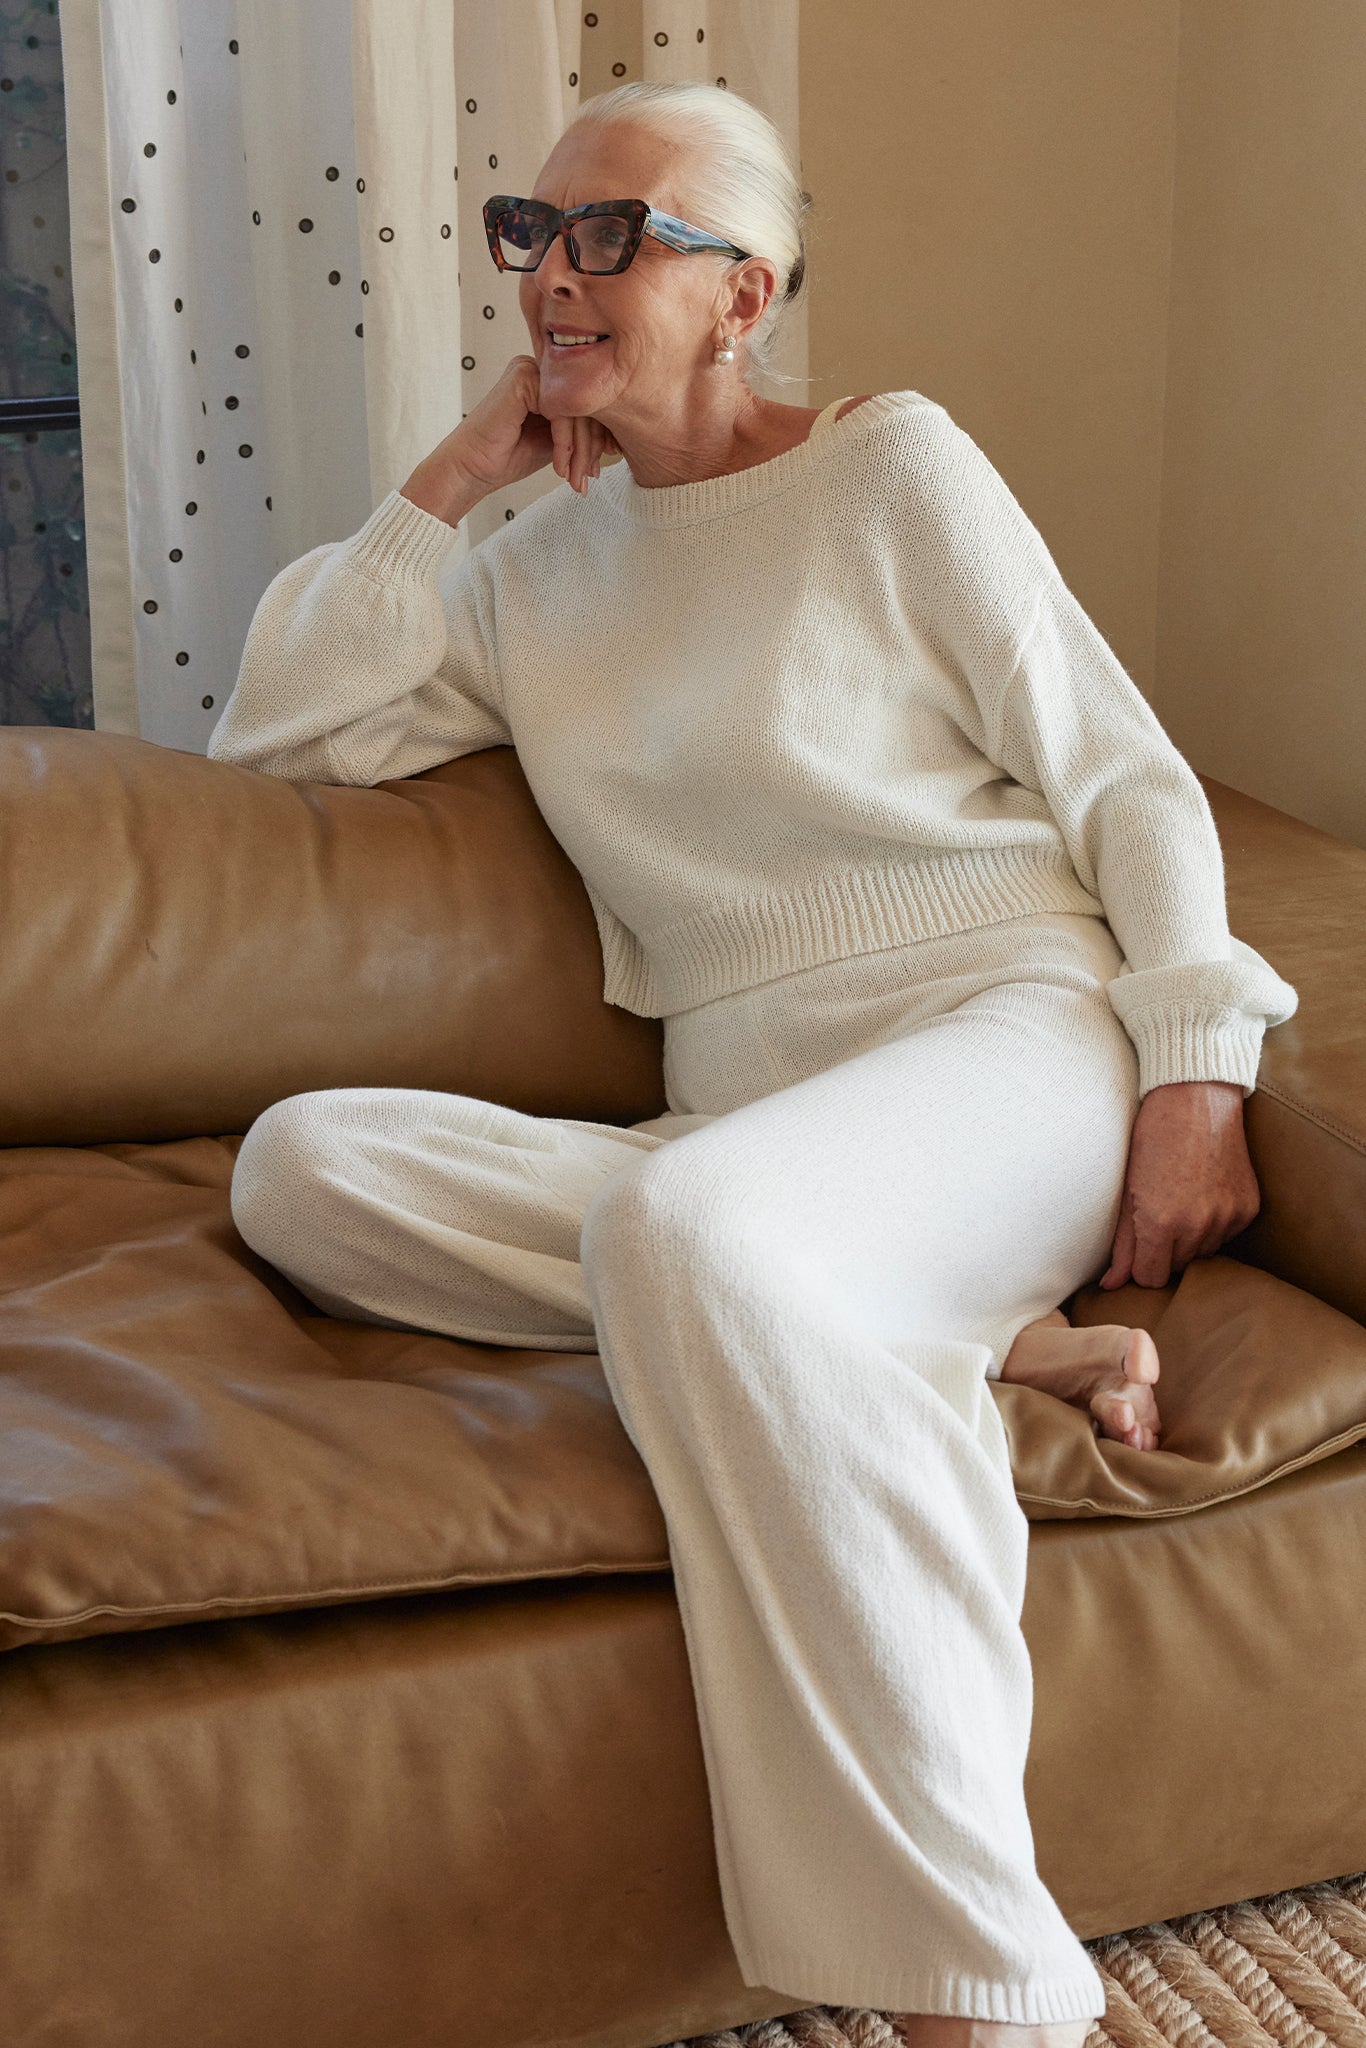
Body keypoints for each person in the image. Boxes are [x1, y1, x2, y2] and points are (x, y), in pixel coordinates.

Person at [207, 78, 1298, 2046]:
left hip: (997, 1029)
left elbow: (1114, 768)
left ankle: (982, 1983)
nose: (555, 268)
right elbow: (275, 742)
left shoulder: (893, 470)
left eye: (613, 232)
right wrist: (455, 478)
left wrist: (1190, 1059)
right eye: (529, 230)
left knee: (693, 1235)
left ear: (746, 297)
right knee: (302, 1165)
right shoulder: (527, 579)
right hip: (757, 1123)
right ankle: (963, 1334)